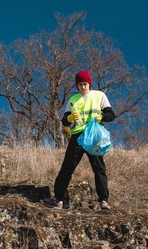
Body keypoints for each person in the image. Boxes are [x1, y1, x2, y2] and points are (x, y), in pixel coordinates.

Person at [42, 70, 115, 210]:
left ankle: (104, 201)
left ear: (89, 84)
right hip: (77, 137)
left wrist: (101, 117)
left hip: (94, 136)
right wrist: (69, 118)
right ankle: (58, 200)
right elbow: (64, 121)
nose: (83, 87)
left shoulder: (99, 96)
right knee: (67, 168)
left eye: (85, 84)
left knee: (99, 168)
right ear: (77, 86)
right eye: (80, 84)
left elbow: (111, 114)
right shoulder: (73, 99)